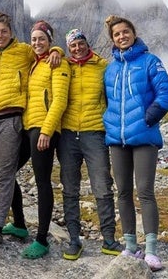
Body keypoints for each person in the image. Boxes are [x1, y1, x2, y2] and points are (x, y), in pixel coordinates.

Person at [0, 12, 61, 246]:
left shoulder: (24, 51)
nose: (0, 35)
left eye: (4, 32)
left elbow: (45, 50)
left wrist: (58, 51)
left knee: (6, 174)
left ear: (11, 33)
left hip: (11, 119)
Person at [102, 15, 168, 272]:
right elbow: (105, 101)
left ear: (133, 33)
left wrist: (148, 119)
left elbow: (166, 94)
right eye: (117, 34)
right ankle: (131, 246)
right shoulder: (110, 69)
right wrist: (108, 123)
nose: (122, 37)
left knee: (144, 191)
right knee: (122, 192)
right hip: (117, 139)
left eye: (125, 32)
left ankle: (152, 251)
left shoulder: (150, 62)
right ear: (112, 39)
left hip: (143, 137)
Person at [56, 28, 122, 261]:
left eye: (80, 43)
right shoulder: (64, 65)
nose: (77, 48)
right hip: (67, 134)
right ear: (67, 47)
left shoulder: (102, 66)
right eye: (72, 45)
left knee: (102, 185)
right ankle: (74, 240)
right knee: (70, 187)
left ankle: (109, 239)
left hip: (95, 132)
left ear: (87, 43)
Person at [16, 20, 70, 259]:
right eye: (34, 39)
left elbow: (59, 100)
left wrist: (47, 130)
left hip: (43, 128)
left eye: (42, 39)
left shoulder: (57, 64)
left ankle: (41, 240)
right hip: (27, 127)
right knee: (6, 172)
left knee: (42, 182)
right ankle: (19, 224)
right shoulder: (34, 63)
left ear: (50, 41)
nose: (37, 43)